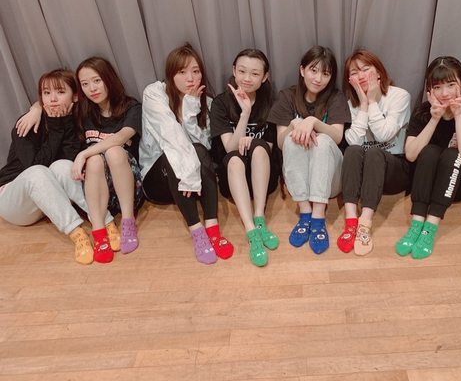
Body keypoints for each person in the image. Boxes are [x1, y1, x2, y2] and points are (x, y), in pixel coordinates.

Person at [0, 69, 118, 265]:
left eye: (60, 92)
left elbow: (69, 162)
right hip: (13, 200)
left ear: (75, 96)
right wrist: (50, 122)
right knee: (38, 172)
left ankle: (105, 221)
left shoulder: (77, 122)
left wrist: (63, 124)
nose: (52, 99)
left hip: (47, 202)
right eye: (46, 93)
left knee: (63, 166)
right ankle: (77, 234)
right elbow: (35, 166)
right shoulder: (26, 124)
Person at [395, 57, 461, 259]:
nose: (445, 93)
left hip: (459, 185)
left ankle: (430, 228)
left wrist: (459, 116)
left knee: (452, 154)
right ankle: (416, 224)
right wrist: (435, 118)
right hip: (426, 186)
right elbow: (411, 155)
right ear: (429, 91)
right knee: (429, 151)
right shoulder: (422, 112)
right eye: (437, 87)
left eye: (451, 85)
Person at [139, 44, 223, 265]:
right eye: (182, 72)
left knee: (198, 150)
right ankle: (197, 231)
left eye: (195, 71)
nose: (190, 79)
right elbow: (171, 138)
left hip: (192, 184)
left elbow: (203, 149)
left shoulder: (207, 103)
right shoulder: (154, 93)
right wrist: (189, 176)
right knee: (173, 153)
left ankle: (212, 227)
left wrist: (190, 110)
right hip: (159, 179)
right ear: (170, 74)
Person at [268, 45, 351, 254]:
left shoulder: (336, 97)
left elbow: (337, 137)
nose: (318, 78)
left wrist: (313, 121)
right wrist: (294, 124)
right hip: (301, 184)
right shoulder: (287, 96)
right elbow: (280, 142)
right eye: (313, 70)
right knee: (291, 140)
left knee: (322, 141)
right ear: (302, 69)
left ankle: (318, 217)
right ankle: (305, 213)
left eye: (325, 73)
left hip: (330, 182)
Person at [209, 49, 280, 267]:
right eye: (242, 71)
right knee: (234, 158)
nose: (247, 78)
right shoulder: (220, 103)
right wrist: (245, 114)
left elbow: (268, 148)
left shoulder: (271, 101)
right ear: (234, 71)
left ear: (265, 77)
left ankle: (259, 219)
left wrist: (252, 140)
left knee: (258, 146)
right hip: (233, 178)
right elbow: (230, 148)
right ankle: (251, 231)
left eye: (255, 73)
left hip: (263, 178)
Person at [338, 49, 411, 255]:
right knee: (353, 150)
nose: (361, 75)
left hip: (394, 169)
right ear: (349, 80)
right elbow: (353, 142)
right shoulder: (350, 104)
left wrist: (371, 101)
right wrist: (362, 105)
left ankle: (365, 222)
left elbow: (383, 135)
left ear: (378, 72)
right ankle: (351, 221)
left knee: (374, 152)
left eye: (365, 69)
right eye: (354, 72)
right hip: (365, 176)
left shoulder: (399, 96)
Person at [72, 57, 143, 263]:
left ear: (108, 78)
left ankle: (128, 222)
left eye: (97, 81)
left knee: (114, 151)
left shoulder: (131, 106)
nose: (92, 88)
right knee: (94, 160)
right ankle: (99, 232)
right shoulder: (82, 112)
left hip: (128, 186)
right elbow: (53, 99)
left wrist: (83, 154)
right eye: (85, 84)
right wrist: (36, 109)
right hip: (98, 190)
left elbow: (121, 138)